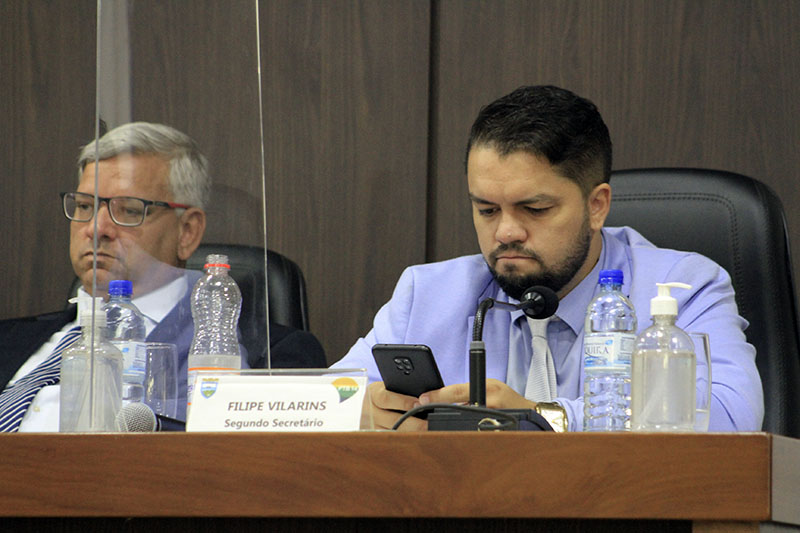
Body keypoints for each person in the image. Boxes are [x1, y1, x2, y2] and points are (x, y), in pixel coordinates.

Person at [333, 85, 764, 432]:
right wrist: (360, 412)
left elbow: (731, 415)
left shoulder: (684, 287)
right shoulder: (427, 294)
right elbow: (318, 400)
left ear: (597, 206)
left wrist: (541, 418)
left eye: (534, 209)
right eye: (487, 210)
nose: (506, 232)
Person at [0, 122, 325, 431]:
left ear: (187, 231)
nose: (97, 229)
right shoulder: (10, 339)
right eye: (85, 206)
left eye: (129, 210)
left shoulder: (270, 356)